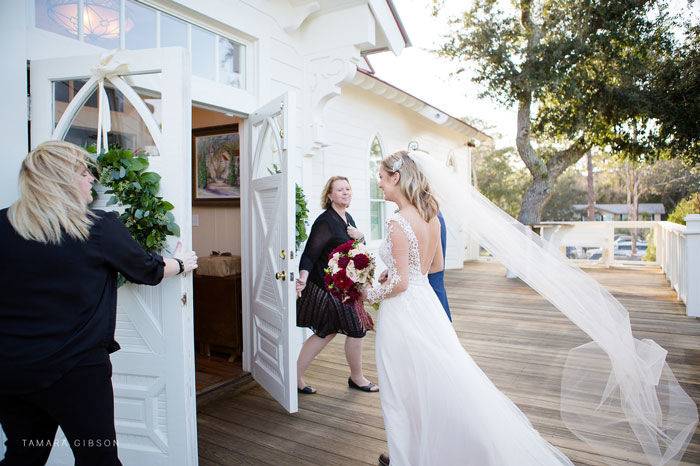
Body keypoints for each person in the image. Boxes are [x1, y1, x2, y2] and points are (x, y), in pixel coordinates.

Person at [367, 150, 573, 465]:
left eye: (382, 177)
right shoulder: (431, 217)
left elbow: (402, 284)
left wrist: (369, 292)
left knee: (401, 388)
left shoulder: (397, 222)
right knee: (437, 381)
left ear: (396, 178)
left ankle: (405, 457)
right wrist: (395, 272)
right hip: (428, 308)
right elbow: (432, 268)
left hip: (404, 311)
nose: (379, 184)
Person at [0, 141, 198, 466]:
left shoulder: (3, 225)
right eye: (83, 172)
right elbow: (147, 269)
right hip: (76, 373)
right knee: (98, 458)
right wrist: (180, 262)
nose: (91, 178)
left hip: (10, 370)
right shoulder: (97, 228)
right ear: (63, 180)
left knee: (24, 453)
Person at [295, 176, 378, 394]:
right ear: (329, 195)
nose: (345, 192)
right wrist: (303, 277)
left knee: (326, 331)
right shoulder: (326, 221)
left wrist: (360, 237)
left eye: (348, 189)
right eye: (340, 189)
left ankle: (295, 377)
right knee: (355, 329)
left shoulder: (347, 218)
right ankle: (356, 378)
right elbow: (310, 254)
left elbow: (356, 252)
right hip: (326, 287)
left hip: (343, 287)